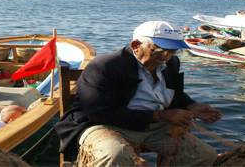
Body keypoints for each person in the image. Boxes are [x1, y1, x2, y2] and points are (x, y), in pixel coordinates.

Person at [55, 21, 223, 167]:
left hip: (154, 127)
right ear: (136, 45)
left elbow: (176, 94)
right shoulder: (105, 66)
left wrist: (191, 106)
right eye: (158, 50)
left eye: (173, 51)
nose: (166, 56)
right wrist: (159, 116)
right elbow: (99, 113)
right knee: (114, 155)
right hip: (104, 126)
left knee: (204, 155)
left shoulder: (171, 63)